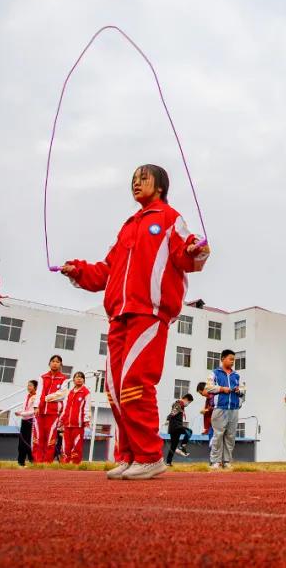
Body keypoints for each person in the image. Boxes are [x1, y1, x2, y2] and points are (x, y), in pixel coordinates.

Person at [61, 164, 209, 480]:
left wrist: (197, 250)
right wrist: (79, 271)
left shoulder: (170, 218)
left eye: (143, 178)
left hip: (149, 312)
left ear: (159, 186)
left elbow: (188, 254)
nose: (136, 183)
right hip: (119, 313)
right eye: (133, 180)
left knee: (135, 380)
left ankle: (149, 455)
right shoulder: (128, 227)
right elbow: (106, 270)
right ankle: (129, 455)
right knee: (114, 387)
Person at [206, 349, 244, 469]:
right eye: (230, 359)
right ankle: (215, 461)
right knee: (218, 435)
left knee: (231, 436)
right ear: (223, 359)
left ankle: (227, 461)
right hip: (220, 409)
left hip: (233, 409)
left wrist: (240, 391)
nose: (232, 361)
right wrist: (222, 389)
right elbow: (208, 388)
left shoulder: (236, 375)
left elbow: (243, 390)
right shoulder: (214, 373)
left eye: (234, 359)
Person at [33, 355, 68, 464]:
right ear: (49, 363)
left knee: (50, 438)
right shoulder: (43, 377)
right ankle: (38, 461)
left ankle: (47, 461)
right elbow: (39, 392)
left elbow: (61, 395)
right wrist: (36, 406)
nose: (55, 363)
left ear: (61, 365)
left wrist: (46, 398)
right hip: (40, 411)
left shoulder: (64, 379)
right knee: (38, 437)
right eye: (53, 361)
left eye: (57, 362)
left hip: (54, 413)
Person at [58, 371, 91, 465]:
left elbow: (87, 408)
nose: (79, 379)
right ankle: (65, 462)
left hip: (78, 424)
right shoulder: (69, 392)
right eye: (77, 377)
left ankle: (75, 463)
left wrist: (86, 420)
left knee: (76, 444)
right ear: (73, 380)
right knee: (66, 445)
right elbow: (65, 408)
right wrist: (61, 420)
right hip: (67, 424)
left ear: (84, 380)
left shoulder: (86, 392)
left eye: (81, 377)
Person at [14, 380, 38, 467]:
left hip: (31, 421)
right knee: (21, 442)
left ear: (35, 387)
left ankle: (32, 460)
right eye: (28, 385)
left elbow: (32, 411)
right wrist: (19, 412)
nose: (28, 387)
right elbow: (24, 408)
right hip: (24, 420)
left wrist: (21, 413)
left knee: (28, 442)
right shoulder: (27, 396)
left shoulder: (36, 397)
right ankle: (21, 462)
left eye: (30, 385)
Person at [165, 393, 194, 466]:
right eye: (189, 402)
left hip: (172, 428)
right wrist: (168, 419)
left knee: (173, 445)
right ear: (186, 399)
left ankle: (168, 462)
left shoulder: (179, 404)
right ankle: (181, 447)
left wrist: (168, 419)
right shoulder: (179, 403)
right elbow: (173, 412)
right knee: (189, 431)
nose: (188, 404)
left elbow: (173, 412)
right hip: (176, 427)